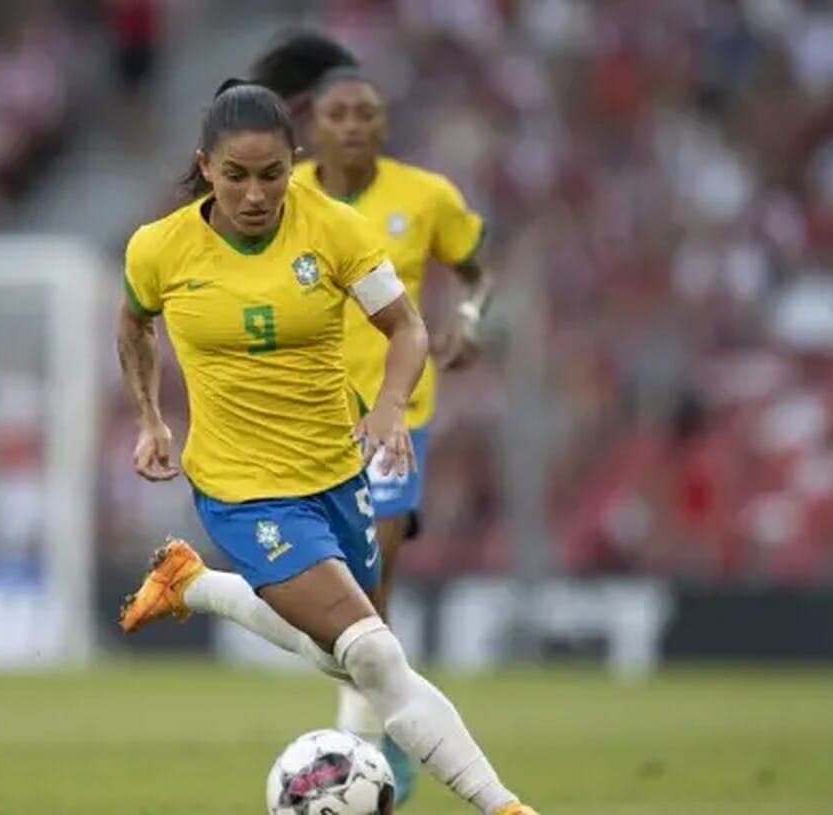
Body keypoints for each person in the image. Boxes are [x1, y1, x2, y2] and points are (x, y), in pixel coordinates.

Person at [116, 79, 537, 815]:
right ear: (206, 167)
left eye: (272, 174)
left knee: (353, 656)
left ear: (293, 163)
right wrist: (152, 417)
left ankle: (196, 585)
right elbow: (133, 325)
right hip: (241, 488)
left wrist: (391, 407)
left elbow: (405, 328)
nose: (255, 193)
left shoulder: (333, 229)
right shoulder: (160, 247)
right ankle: (504, 805)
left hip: (338, 473)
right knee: (374, 651)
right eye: (237, 175)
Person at [294, 64, 494, 804]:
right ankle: (379, 718)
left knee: (374, 564)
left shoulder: (426, 196)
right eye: (339, 113)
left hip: (393, 410)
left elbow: (475, 272)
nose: (352, 125)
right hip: (304, 410)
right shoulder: (285, 198)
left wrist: (471, 319)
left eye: (366, 113)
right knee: (338, 582)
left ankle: (368, 740)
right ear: (315, 124)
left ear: (383, 123)